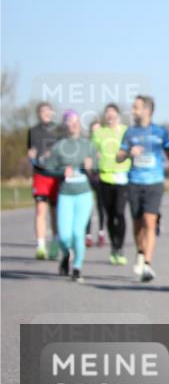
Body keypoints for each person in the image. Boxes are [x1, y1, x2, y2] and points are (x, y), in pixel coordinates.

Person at [117, 95, 169, 283]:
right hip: (134, 181)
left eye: (136, 107)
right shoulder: (130, 132)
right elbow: (118, 156)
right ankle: (140, 252)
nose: (133, 110)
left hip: (155, 182)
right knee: (137, 223)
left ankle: (148, 264)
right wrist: (127, 153)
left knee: (150, 221)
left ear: (147, 110)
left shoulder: (160, 131)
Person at [48, 111, 97, 282]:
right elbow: (49, 169)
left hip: (84, 194)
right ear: (65, 125)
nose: (74, 124)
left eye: (76, 121)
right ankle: (66, 254)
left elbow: (97, 171)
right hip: (66, 195)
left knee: (78, 233)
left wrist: (91, 168)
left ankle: (77, 267)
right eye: (70, 121)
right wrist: (62, 171)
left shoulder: (88, 145)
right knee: (64, 236)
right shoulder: (58, 147)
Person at [91, 104, 131, 264]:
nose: (110, 115)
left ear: (118, 115)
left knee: (119, 213)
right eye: (107, 113)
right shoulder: (99, 132)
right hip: (104, 177)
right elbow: (92, 152)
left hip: (122, 178)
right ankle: (113, 246)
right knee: (109, 215)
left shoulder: (125, 131)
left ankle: (120, 248)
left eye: (113, 112)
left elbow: (131, 150)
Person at [27, 102, 62, 260]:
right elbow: (30, 151)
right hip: (40, 175)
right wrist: (31, 156)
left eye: (48, 110)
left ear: (52, 113)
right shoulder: (33, 131)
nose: (46, 113)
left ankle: (54, 244)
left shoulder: (59, 130)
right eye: (42, 111)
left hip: (55, 175)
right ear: (39, 114)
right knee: (40, 211)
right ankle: (40, 246)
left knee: (55, 213)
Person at [84, 119, 107, 248]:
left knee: (101, 206)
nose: (96, 132)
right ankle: (88, 235)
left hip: (101, 177)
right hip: (89, 177)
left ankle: (101, 232)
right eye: (93, 130)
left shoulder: (105, 143)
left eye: (98, 130)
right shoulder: (87, 144)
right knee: (88, 207)